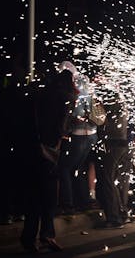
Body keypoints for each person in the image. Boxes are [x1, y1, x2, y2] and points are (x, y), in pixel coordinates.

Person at [20, 70, 77, 253]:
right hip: (49, 151)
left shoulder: (40, 94)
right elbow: (61, 127)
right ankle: (46, 235)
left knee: (34, 196)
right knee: (49, 197)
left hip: (33, 149)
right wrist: (62, 137)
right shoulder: (64, 98)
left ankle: (30, 238)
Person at [58, 73, 98, 214]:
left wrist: (68, 126)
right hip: (93, 136)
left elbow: (77, 117)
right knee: (80, 168)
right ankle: (85, 200)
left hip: (79, 137)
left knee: (66, 169)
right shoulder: (91, 95)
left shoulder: (77, 97)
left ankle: (69, 203)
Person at [98, 88, 129, 229]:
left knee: (108, 179)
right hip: (120, 143)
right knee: (112, 179)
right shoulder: (120, 101)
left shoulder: (113, 104)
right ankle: (120, 213)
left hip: (114, 143)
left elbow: (101, 119)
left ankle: (114, 218)